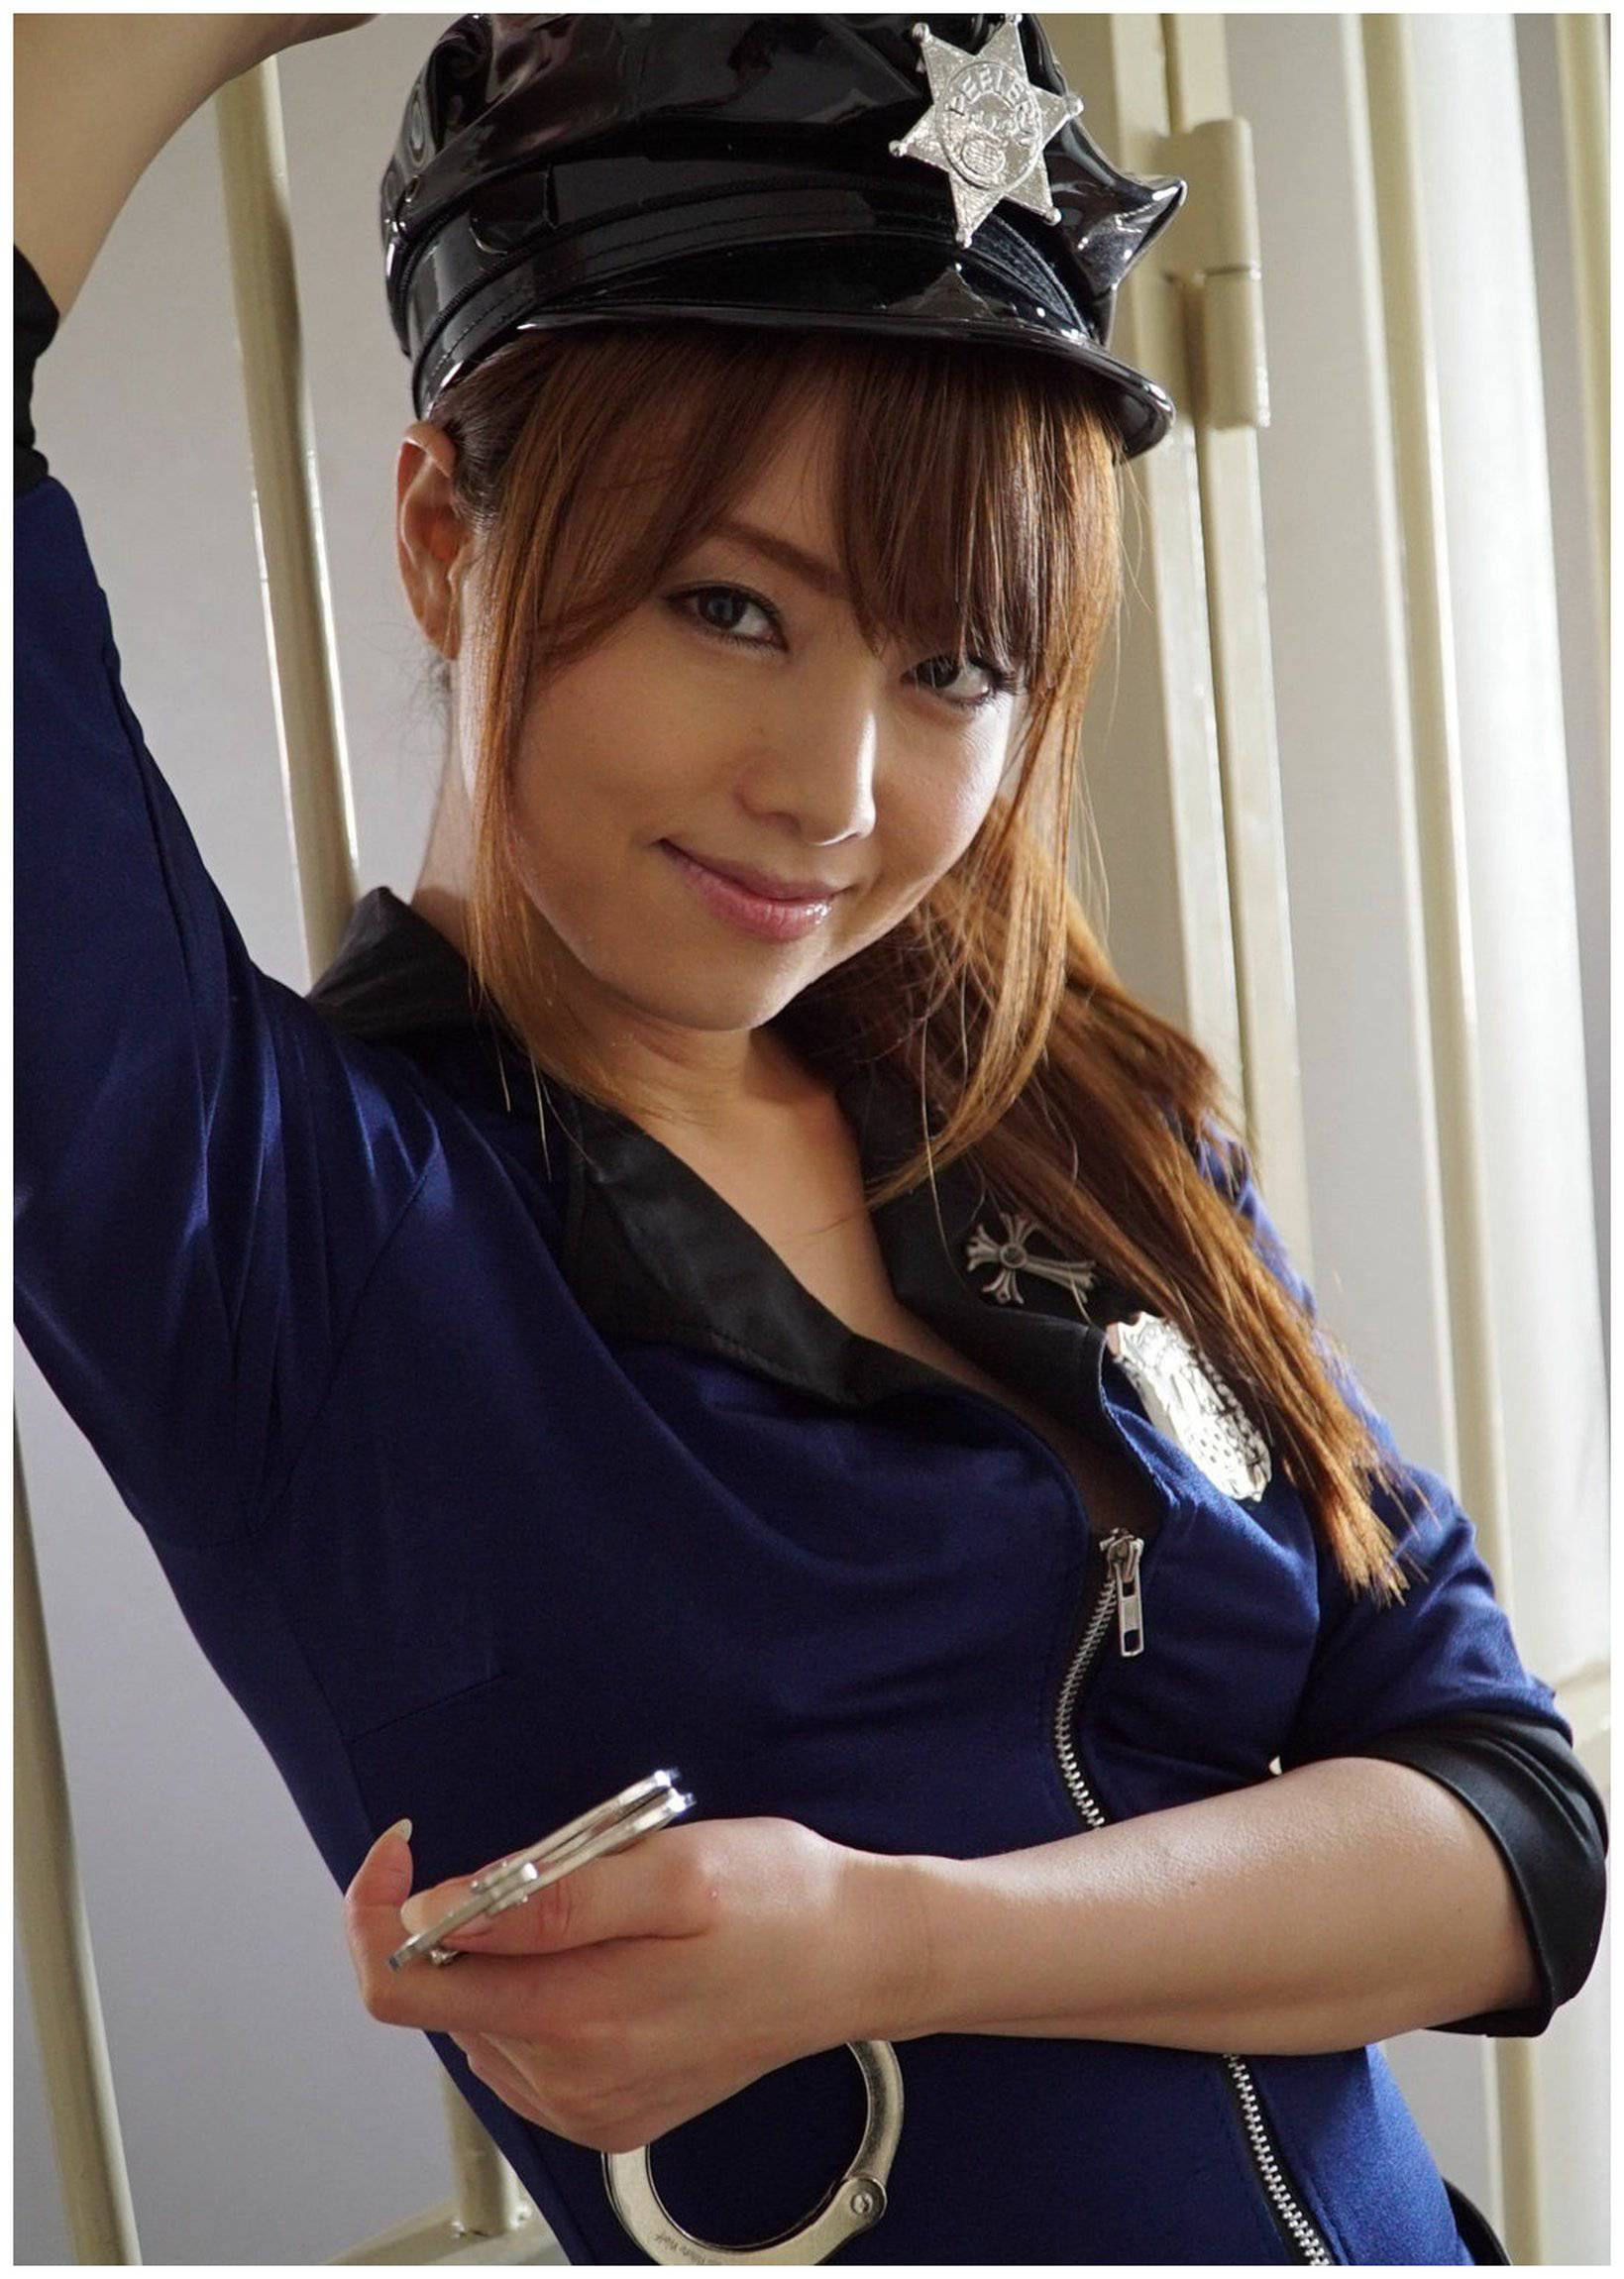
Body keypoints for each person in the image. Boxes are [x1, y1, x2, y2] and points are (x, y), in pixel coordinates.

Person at [15, 12, 1606, 2267]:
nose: (835, 795)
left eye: (952, 667)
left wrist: (888, 1941)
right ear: (446, 538)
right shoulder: (272, 1222)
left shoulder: (1074, 1122)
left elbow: (1518, 1841)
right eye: (731, 608)